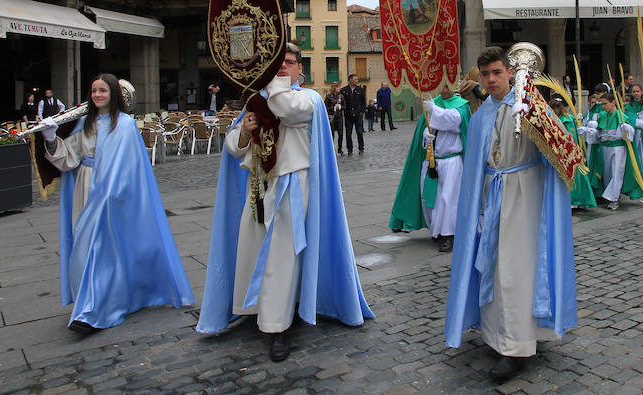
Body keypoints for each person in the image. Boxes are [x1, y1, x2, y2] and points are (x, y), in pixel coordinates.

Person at [197, 43, 373, 360]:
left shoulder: (307, 99)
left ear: (300, 72)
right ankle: (257, 307)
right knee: (253, 249)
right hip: (260, 186)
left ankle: (278, 325)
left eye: (288, 62)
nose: (281, 68)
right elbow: (233, 148)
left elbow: (285, 110)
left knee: (282, 255)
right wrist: (243, 132)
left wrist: (268, 78)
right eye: (276, 63)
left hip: (292, 184)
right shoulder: (260, 102)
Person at [445, 46, 578, 382]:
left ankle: (517, 346)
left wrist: (536, 112)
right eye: (485, 74)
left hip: (525, 196)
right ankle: (496, 334)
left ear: (509, 72)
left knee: (516, 270)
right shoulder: (481, 116)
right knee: (492, 263)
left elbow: (564, 149)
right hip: (493, 196)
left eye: (497, 73)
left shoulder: (530, 105)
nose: (491, 80)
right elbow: (476, 167)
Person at [40, 74, 194, 333]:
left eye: (103, 90)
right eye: (93, 90)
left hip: (114, 197)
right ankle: (90, 301)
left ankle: (95, 310)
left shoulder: (124, 125)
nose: (97, 95)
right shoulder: (84, 124)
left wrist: (111, 193)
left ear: (113, 94)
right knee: (84, 247)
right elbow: (69, 157)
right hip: (86, 190)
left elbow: (131, 166)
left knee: (104, 251)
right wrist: (51, 138)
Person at [390, 82, 471, 252]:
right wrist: (425, 136)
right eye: (442, 85)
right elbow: (423, 132)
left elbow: (454, 121)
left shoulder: (461, 106)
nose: (445, 88)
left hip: (452, 162)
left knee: (448, 199)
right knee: (430, 199)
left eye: (449, 85)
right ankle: (437, 232)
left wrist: (434, 111)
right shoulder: (434, 104)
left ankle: (449, 235)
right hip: (432, 161)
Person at [548, 99, 597, 210]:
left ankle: (575, 200)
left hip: (569, 153)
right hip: (570, 152)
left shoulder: (566, 120)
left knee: (574, 177)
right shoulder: (567, 119)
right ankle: (576, 200)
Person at [342, 74, 365, 155]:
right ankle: (350, 150)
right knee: (348, 133)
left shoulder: (360, 89)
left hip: (358, 115)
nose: (357, 81)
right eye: (355, 79)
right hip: (348, 115)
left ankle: (361, 148)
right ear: (350, 80)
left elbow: (363, 101)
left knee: (359, 132)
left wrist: (362, 111)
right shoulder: (344, 90)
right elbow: (342, 101)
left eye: (357, 79)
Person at [324, 84, 344, 156]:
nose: (339, 88)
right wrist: (333, 107)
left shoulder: (341, 96)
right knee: (332, 134)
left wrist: (340, 106)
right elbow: (325, 107)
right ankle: (331, 150)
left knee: (341, 134)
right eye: (338, 87)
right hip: (332, 117)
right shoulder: (328, 97)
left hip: (339, 117)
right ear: (334, 88)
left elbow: (345, 106)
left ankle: (340, 149)